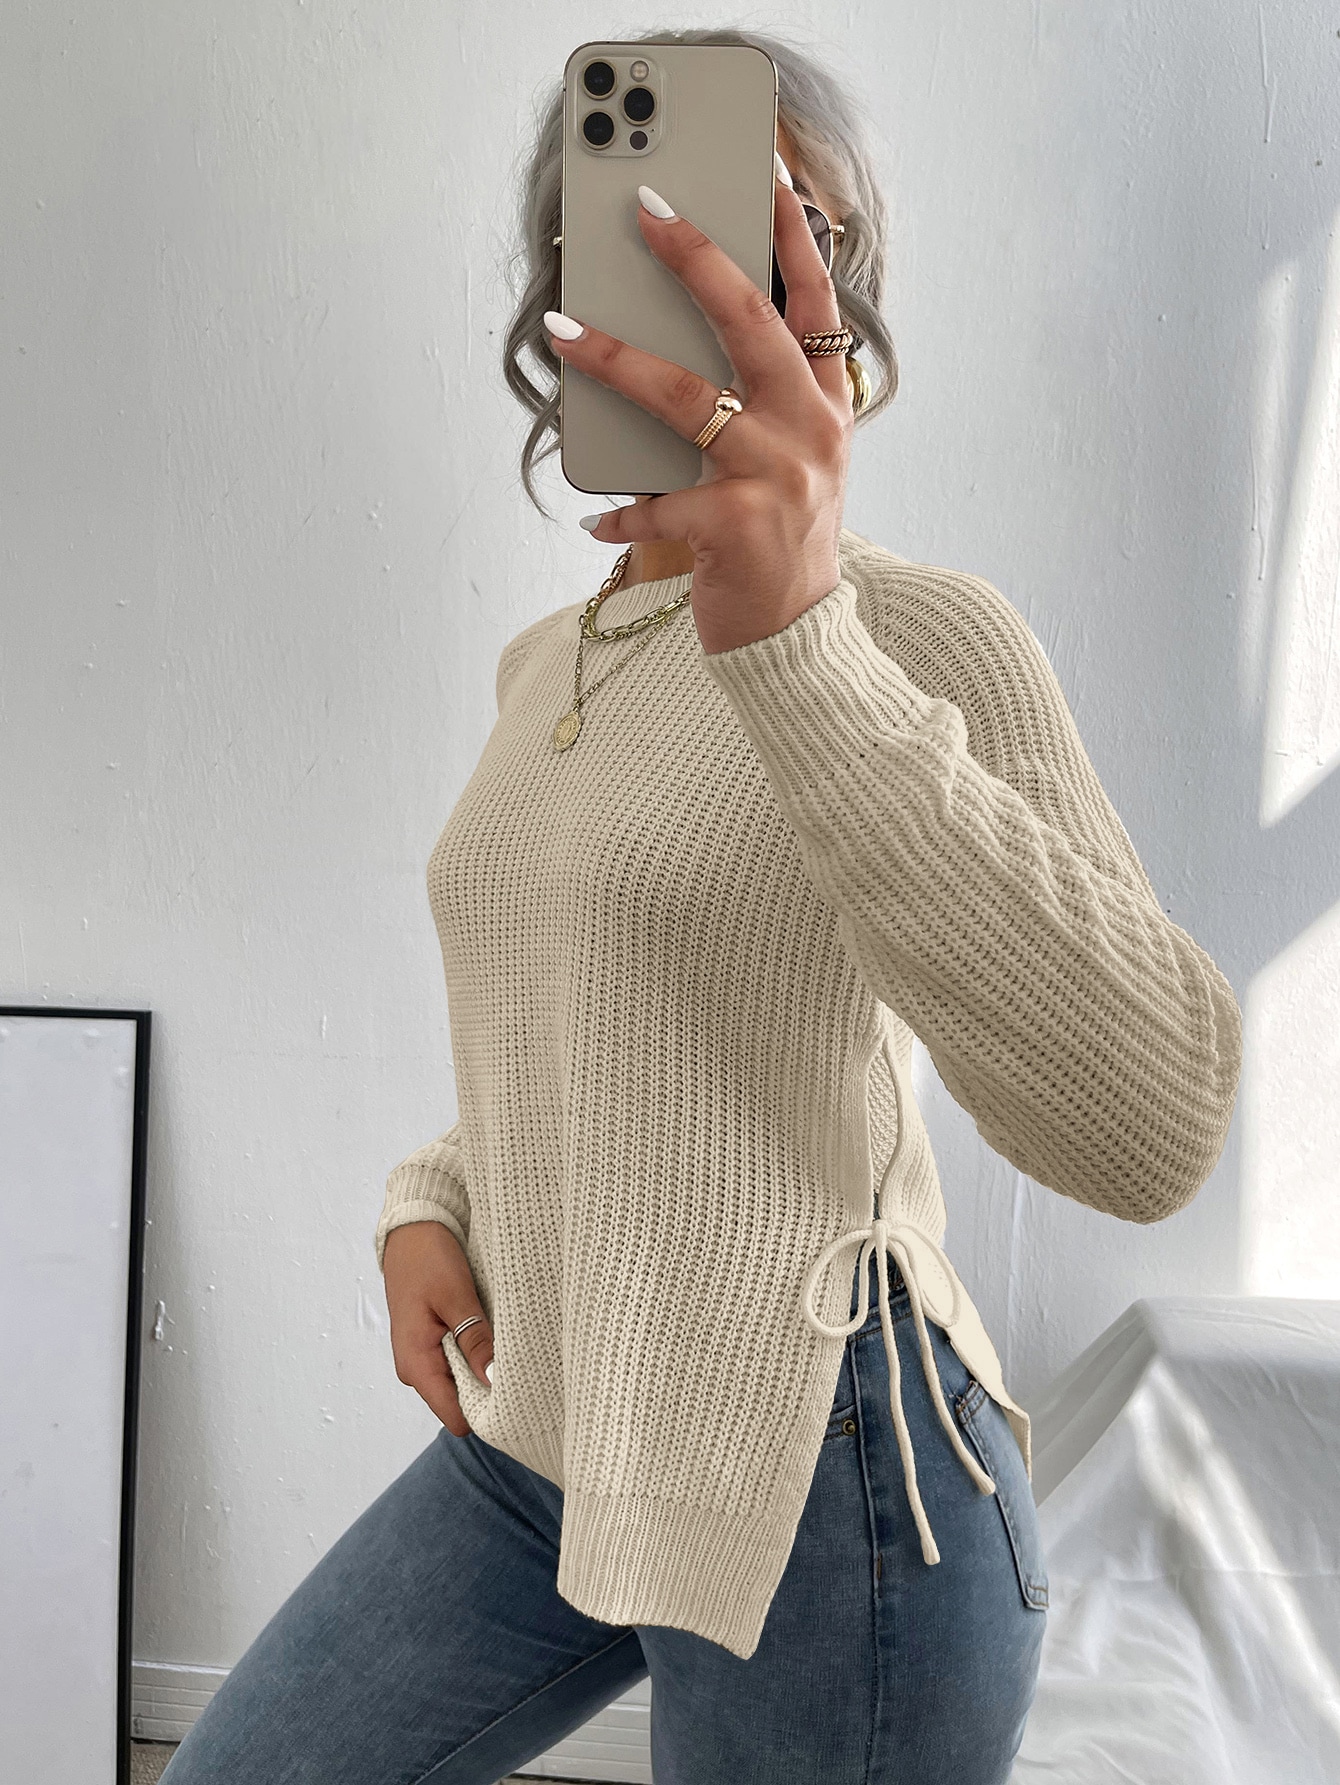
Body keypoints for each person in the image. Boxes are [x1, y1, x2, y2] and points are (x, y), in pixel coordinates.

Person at [160, 27, 1242, 1785]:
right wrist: (433, 1197)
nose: (714, 273)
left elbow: (1156, 1122)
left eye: (778, 232)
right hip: (553, 1430)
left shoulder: (920, 637)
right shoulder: (547, 661)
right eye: (646, 232)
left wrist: (803, 641)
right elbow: (594, 1011)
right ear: (569, 291)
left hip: (834, 1480)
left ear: (840, 298)